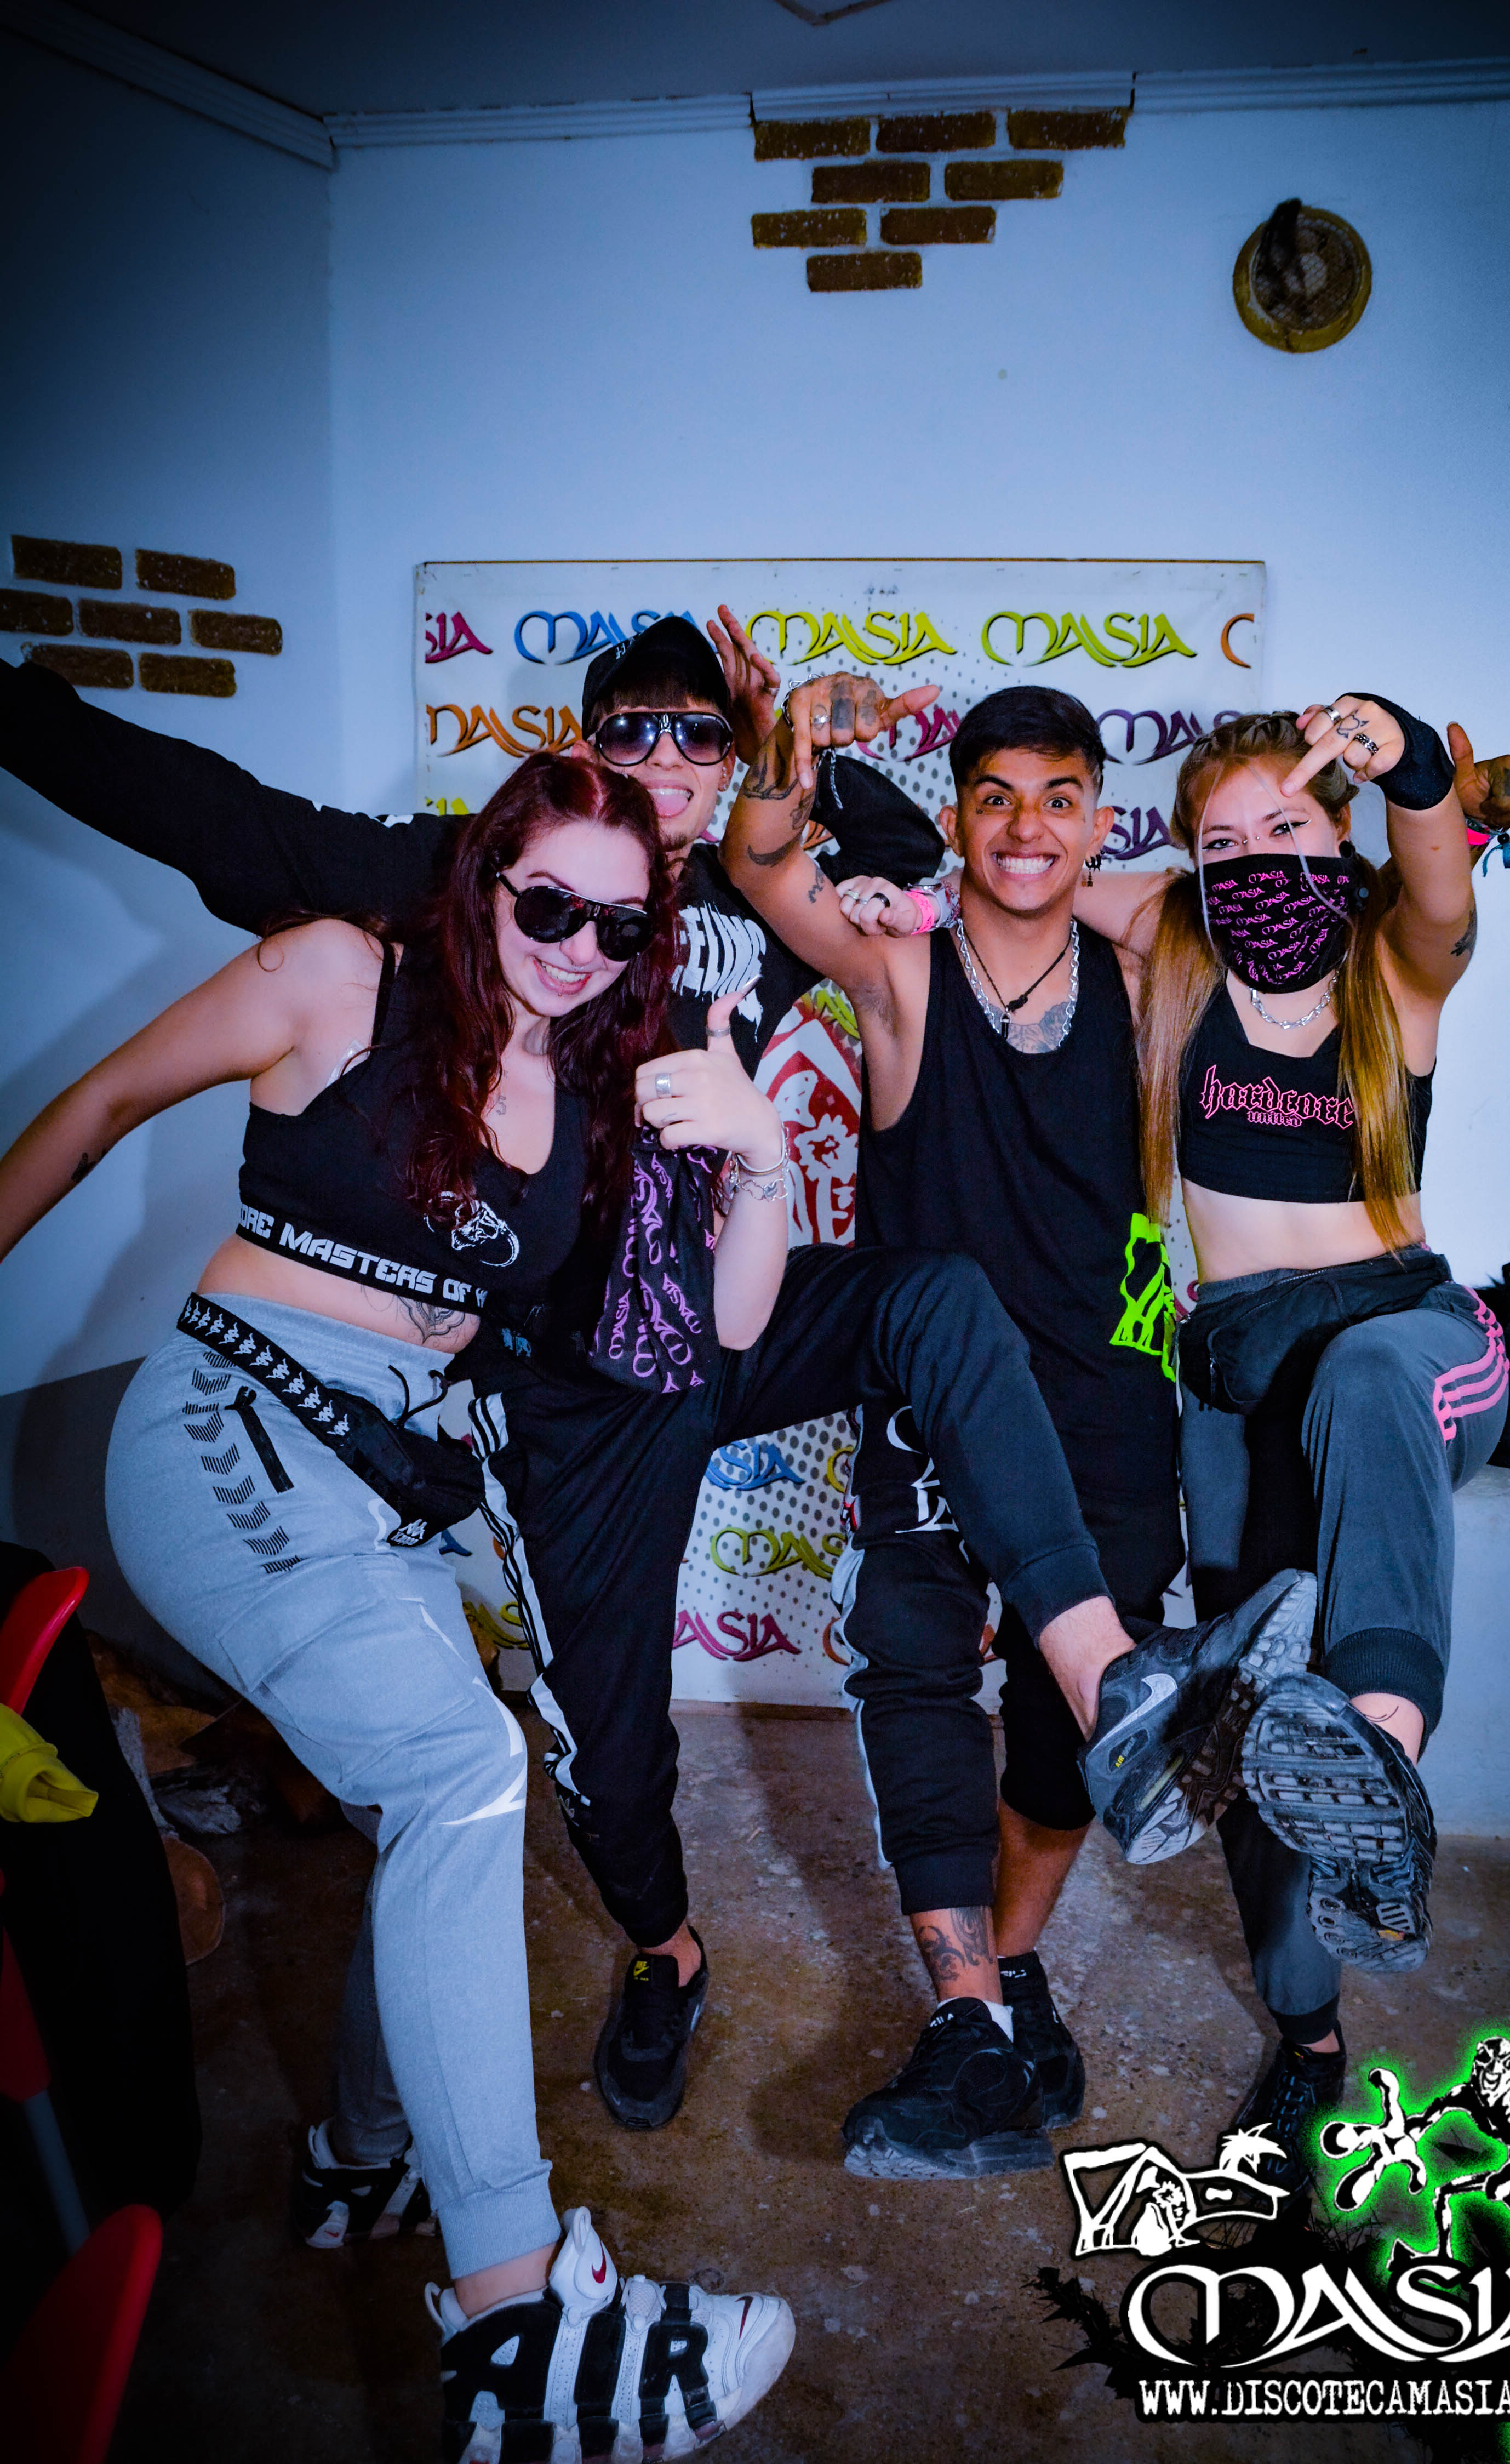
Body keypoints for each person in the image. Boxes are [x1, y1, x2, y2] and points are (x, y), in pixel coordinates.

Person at [0, 621, 1269, 2193]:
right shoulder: (493, 880)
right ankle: (668, 1953)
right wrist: (23, 715)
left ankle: (1105, 1672)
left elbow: (905, 845)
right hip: (583, 1391)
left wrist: (798, 760)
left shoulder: (759, 886)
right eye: (635, 731)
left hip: (734, 1308)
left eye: (699, 735)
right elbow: (228, 824)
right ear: (578, 752)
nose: (666, 762)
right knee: (609, 1763)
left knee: (937, 1295)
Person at [0, 747, 800, 2457]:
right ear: (484, 875)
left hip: (407, 1477)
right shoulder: (336, 978)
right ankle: (515, 2328)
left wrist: (764, 1160)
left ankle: (365, 2151)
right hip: (238, 1417)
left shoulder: (598, 1086)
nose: (578, 949)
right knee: (458, 1769)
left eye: (620, 926)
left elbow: (725, 1330)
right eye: (549, 905)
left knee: (448, 1797)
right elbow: (95, 1113)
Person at [837, 695, 1510, 2183]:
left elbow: (1439, 885)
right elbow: (1020, 881)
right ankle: (1310, 2037)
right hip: (1235, 1385)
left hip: (1404, 1333)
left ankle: (1387, 1742)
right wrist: (893, 887)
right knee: (1257, 1733)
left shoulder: (1392, 971)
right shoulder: (1177, 951)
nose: (1256, 863)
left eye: (1287, 828)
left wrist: (1420, 765)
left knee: (1367, 1399)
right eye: (1221, 844)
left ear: (1340, 833)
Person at [719, 676, 1321, 2181]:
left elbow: (1229, 905)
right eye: (995, 798)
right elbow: (763, 867)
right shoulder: (898, 975)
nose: (1027, 827)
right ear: (954, 814)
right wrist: (792, 764)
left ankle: (1019, 1964)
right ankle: (969, 2018)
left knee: (1070, 1734)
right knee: (915, 1677)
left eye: (1061, 800)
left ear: (1103, 820)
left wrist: (1053, 874)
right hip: (933, 1400)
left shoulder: (1154, 976)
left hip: (1110, 1412)